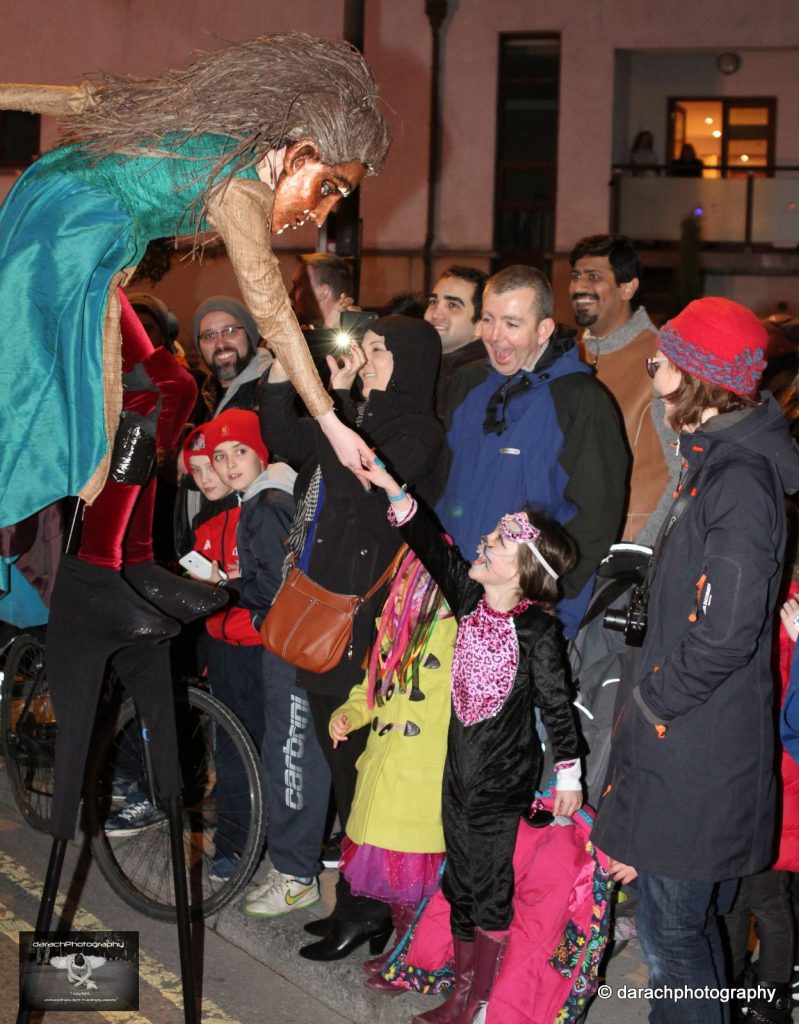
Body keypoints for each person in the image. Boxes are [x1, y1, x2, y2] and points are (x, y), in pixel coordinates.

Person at [0, 32, 391, 536]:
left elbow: (86, 99)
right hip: (66, 235)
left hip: (69, 216)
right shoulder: (240, 188)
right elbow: (272, 311)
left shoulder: (217, 132)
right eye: (327, 189)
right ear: (300, 155)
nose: (319, 214)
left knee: (155, 388)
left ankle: (118, 558)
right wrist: (332, 424)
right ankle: (95, 556)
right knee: (35, 385)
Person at [592, 297, 799, 1024]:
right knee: (689, 929)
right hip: (691, 742)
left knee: (673, 934)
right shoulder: (715, 464)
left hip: (693, 749)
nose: (652, 372)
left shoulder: (738, 482)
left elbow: (725, 632)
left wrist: (653, 700)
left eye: (659, 361)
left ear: (691, 378)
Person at [358, 454, 583, 1024]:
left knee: (489, 888)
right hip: (456, 774)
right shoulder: (468, 601)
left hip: (500, 787)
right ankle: (460, 991)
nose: (483, 542)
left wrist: (569, 774)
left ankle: (481, 1001)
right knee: (460, 882)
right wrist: (390, 483)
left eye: (498, 542)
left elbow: (557, 707)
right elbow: (430, 543)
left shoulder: (537, 631)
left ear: (522, 570)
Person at [260, 314, 446, 960]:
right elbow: (286, 440)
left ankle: (370, 909)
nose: (365, 360)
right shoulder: (363, 419)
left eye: (377, 351)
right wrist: (294, 373)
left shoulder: (416, 433)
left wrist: (336, 410)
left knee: (361, 775)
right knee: (344, 771)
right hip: (327, 618)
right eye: (363, 349)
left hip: (363, 631)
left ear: (411, 363)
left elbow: (353, 488)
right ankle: (362, 904)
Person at [435, 264, 629, 639]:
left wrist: (546, 608)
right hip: (450, 601)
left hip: (525, 616)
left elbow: (596, 521)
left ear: (543, 329)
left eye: (512, 324)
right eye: (488, 320)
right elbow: (444, 487)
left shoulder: (581, 400)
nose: (495, 336)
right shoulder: (467, 382)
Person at [200, 410, 330, 906]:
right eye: (219, 456)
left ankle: (296, 875)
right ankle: (291, 866)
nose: (230, 464)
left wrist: (229, 592)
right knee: (284, 751)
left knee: (290, 756)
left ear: (261, 452)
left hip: (290, 645)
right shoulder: (263, 496)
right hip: (287, 642)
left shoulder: (270, 501)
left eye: (240, 452)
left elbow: (277, 587)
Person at [328, 546, 457, 992]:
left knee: (423, 890)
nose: (400, 596)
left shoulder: (457, 635)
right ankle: (403, 956)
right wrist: (346, 715)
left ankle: (420, 962)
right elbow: (369, 690)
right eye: (398, 586)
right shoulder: (391, 630)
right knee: (396, 889)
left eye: (412, 588)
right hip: (383, 776)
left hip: (421, 783)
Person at [569, 234, 677, 543]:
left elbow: (681, 471)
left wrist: (643, 549)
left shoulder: (662, 360)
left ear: (628, 287)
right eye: (576, 276)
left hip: (628, 550)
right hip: (573, 549)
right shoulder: (569, 357)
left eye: (594, 277)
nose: (579, 287)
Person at [192, 295, 272, 420]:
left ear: (249, 335)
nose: (220, 344)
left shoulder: (273, 391)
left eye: (230, 330)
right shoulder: (200, 400)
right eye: (209, 336)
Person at [423, 265, 487, 419]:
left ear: (480, 325)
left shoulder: (480, 382)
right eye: (433, 302)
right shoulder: (419, 364)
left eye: (452, 305)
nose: (436, 314)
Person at [290, 252, 356, 330]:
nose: (290, 295)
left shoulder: (361, 336)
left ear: (323, 291)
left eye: (298, 286)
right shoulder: (301, 331)